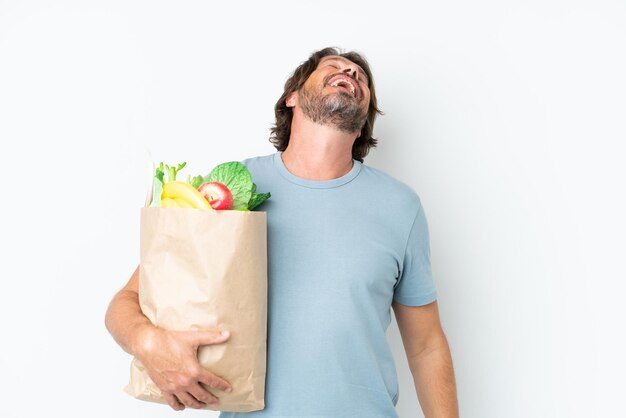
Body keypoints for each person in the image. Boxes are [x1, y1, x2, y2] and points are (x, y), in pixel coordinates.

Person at [105, 46, 459, 418]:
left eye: (360, 77)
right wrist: (150, 344)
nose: (351, 73)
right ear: (291, 97)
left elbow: (426, 347)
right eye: (334, 67)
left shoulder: (400, 206)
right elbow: (125, 303)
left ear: (365, 120)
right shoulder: (231, 189)